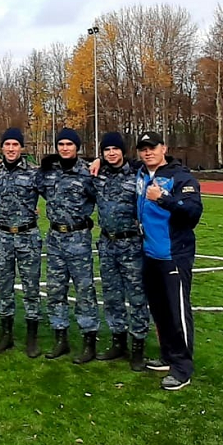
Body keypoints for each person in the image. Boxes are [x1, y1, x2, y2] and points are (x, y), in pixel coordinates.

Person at [135, 131, 202, 391]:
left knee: (177, 311)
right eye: (143, 149)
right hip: (150, 253)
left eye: (152, 147)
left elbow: (193, 212)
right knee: (160, 310)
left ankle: (182, 367)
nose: (148, 152)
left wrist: (162, 199)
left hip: (173, 254)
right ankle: (167, 354)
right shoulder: (141, 172)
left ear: (164, 148)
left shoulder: (180, 177)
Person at [40, 128, 99, 364]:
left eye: (69, 144)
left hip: (78, 238)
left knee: (84, 291)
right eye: (61, 144)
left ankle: (88, 340)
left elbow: (102, 192)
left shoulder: (88, 173)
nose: (64, 148)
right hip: (55, 238)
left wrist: (100, 160)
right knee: (55, 290)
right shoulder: (48, 172)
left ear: (77, 147)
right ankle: (60, 337)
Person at [92, 132, 150, 371]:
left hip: (132, 244)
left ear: (123, 151)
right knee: (113, 296)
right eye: (106, 150)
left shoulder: (138, 174)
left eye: (115, 149)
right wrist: (96, 161)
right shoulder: (98, 175)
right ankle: (118, 341)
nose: (111, 153)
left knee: (137, 297)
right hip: (107, 244)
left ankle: (138, 346)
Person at [0, 128, 44, 357]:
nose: (11, 149)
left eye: (15, 145)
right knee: (5, 288)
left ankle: (32, 338)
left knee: (31, 288)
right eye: (7, 144)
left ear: (22, 148)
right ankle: (7, 334)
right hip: (1, 236)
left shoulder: (34, 173)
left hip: (27, 236)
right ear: (2, 147)